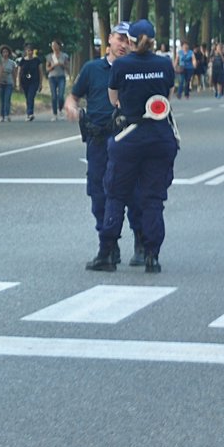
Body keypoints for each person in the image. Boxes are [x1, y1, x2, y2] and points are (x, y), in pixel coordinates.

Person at [96, 19, 179, 274]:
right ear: (153, 40)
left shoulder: (121, 65)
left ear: (129, 40)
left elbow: (114, 100)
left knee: (116, 194)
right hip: (160, 138)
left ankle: (108, 252)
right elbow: (168, 97)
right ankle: (151, 255)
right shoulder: (164, 64)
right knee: (153, 198)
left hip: (128, 139)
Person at [65, 23, 142, 267]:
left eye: (129, 41)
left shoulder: (137, 70)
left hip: (128, 140)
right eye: (120, 39)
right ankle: (108, 246)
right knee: (98, 194)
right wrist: (71, 105)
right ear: (109, 39)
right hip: (98, 141)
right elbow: (74, 95)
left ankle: (142, 242)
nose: (124, 45)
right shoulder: (92, 68)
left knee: (133, 193)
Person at [17, 45, 43, 121]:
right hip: (25, 82)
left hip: (34, 81)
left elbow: (40, 72)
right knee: (27, 97)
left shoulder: (37, 60)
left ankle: (30, 113)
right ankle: (29, 112)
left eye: (31, 51)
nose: (30, 52)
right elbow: (19, 72)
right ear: (26, 52)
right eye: (28, 51)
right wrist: (18, 83)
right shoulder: (22, 61)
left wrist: (41, 83)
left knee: (31, 96)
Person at [45, 40, 68, 121]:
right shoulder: (49, 56)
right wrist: (53, 66)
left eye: (55, 45)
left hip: (61, 76)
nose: (54, 47)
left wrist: (62, 65)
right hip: (52, 77)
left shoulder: (64, 55)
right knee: (54, 96)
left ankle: (60, 110)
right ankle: (54, 114)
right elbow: (47, 69)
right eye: (52, 45)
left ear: (59, 46)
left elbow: (67, 67)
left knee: (61, 95)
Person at [0, 45, 17, 121]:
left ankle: (7, 114)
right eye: (3, 52)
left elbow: (14, 73)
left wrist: (15, 82)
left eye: (6, 52)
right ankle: (2, 115)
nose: (5, 53)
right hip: (0, 83)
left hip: (9, 83)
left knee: (7, 99)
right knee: (1, 100)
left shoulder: (11, 63)